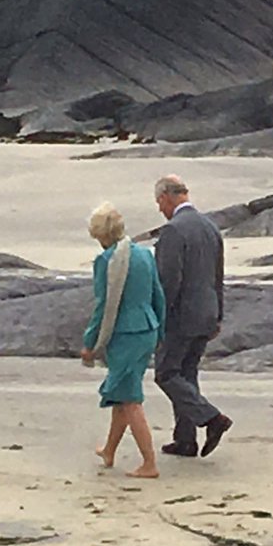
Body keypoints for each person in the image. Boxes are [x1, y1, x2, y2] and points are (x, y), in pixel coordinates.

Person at [81, 202, 166, 479]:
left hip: (125, 334)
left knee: (130, 400)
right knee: (122, 392)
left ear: (101, 234)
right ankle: (109, 450)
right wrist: (161, 330)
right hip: (147, 328)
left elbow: (103, 305)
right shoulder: (144, 255)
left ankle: (149, 463)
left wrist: (90, 342)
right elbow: (158, 295)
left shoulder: (106, 262)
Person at [152, 174, 232, 458]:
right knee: (187, 373)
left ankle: (211, 418)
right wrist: (218, 314)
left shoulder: (174, 231)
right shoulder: (211, 227)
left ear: (166, 197)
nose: (160, 209)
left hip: (182, 316)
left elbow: (168, 281)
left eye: (159, 202)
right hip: (207, 312)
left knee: (166, 373)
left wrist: (158, 317)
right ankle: (185, 440)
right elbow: (217, 276)